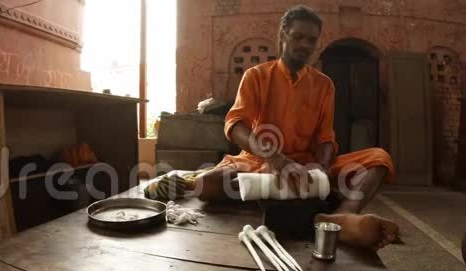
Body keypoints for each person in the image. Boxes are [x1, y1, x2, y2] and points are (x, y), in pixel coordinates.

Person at [146, 5, 399, 250]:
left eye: (311, 40)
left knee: (379, 159)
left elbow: (325, 138)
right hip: (260, 162)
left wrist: (319, 168)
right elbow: (236, 126)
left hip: (305, 167)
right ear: (283, 35)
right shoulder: (256, 76)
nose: (305, 45)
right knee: (207, 184)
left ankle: (343, 216)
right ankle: (291, 198)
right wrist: (276, 159)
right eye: (298, 37)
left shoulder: (324, 85)